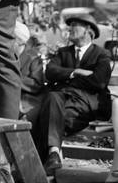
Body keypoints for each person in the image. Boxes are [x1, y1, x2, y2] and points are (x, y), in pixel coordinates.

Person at [28, 12, 112, 176]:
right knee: (52, 100)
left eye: (75, 25)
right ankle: (52, 154)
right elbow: (51, 72)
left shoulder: (101, 54)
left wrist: (66, 78)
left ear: (88, 29)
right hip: (62, 102)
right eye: (70, 25)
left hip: (86, 104)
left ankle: (37, 168)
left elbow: (99, 82)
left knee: (42, 117)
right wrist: (76, 71)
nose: (70, 28)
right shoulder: (63, 52)